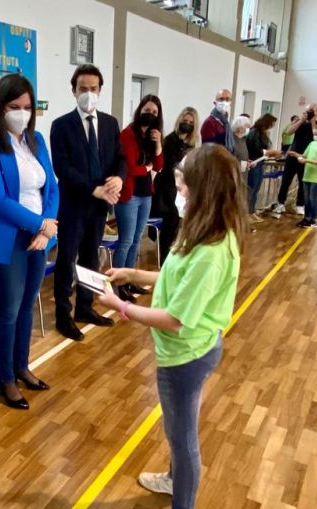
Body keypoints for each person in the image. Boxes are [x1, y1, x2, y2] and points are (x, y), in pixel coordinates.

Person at [97, 143, 246, 509]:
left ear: (203, 191)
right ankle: (175, 478)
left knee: (182, 438)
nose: (177, 193)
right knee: (177, 431)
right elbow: (171, 276)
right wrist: (133, 273)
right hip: (183, 351)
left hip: (187, 355)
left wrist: (121, 306)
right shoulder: (201, 230)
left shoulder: (212, 251)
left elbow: (176, 317)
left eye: (182, 187)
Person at [0, 74, 59, 410]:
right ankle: (4, 380)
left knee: (28, 304)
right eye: (14, 106)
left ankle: (22, 366)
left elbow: (52, 187)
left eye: (27, 107)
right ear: (0, 108)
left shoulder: (36, 140)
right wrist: (40, 224)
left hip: (38, 237)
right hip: (4, 237)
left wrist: (46, 229)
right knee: (8, 310)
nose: (22, 113)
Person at [50, 64, 127, 341]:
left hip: (99, 206)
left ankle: (85, 306)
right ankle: (63, 315)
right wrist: (94, 189)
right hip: (73, 205)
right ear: (74, 90)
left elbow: (120, 158)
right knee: (66, 259)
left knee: (91, 258)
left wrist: (119, 178)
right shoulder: (61, 125)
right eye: (83, 88)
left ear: (100, 90)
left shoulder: (110, 123)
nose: (88, 93)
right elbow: (63, 168)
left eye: (93, 88)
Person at [115, 94, 164, 301]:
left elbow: (159, 166)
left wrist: (158, 145)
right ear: (139, 110)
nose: (150, 114)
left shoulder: (152, 137)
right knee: (126, 241)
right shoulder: (128, 134)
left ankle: (130, 280)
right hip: (129, 195)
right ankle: (118, 284)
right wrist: (147, 168)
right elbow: (129, 168)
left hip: (146, 195)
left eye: (154, 112)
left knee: (136, 241)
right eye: (147, 110)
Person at [152, 107, 200, 265]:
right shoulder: (170, 141)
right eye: (185, 121)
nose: (187, 124)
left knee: (178, 221)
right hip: (165, 187)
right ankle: (164, 258)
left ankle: (172, 253)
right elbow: (170, 166)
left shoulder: (191, 144)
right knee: (171, 219)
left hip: (180, 187)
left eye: (191, 122)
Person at [269, 103, 317, 218]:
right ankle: (280, 203)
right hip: (292, 155)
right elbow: (289, 132)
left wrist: (312, 120)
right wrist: (301, 120)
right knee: (286, 181)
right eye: (309, 111)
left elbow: (315, 135)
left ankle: (300, 204)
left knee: (303, 182)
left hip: (306, 157)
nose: (311, 113)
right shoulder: (299, 122)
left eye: (313, 111)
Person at [293, 121, 317, 228]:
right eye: (314, 134)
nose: (315, 136)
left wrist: (307, 161)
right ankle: (306, 218)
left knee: (312, 198)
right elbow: (304, 156)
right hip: (308, 174)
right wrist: (296, 155)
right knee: (306, 198)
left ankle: (314, 219)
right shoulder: (312, 143)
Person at [246, 113, 283, 223]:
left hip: (260, 163)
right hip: (254, 163)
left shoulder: (262, 133)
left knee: (256, 190)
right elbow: (253, 149)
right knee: (251, 190)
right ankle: (247, 213)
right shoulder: (254, 132)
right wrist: (268, 152)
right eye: (272, 124)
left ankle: (252, 211)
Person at [200, 89, 234, 153]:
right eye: (221, 99)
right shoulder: (210, 122)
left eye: (227, 99)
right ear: (215, 103)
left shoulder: (225, 122)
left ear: (231, 103)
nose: (224, 102)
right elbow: (209, 149)